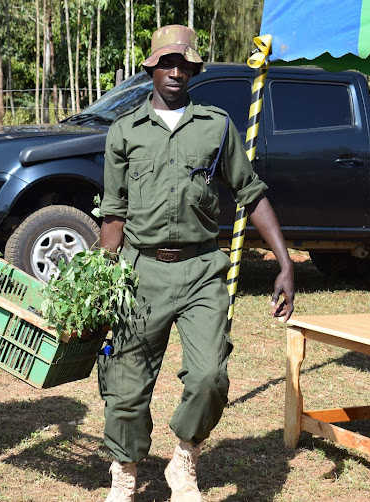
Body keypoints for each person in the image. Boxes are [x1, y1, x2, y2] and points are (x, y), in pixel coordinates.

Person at [97, 25, 294, 502]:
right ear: (150, 69)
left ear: (193, 71)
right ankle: (124, 473)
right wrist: (101, 277)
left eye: (184, 65)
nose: (175, 72)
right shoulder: (124, 131)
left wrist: (285, 264)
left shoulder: (216, 125)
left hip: (203, 269)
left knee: (210, 376)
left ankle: (184, 459)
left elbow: (251, 193)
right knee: (125, 385)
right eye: (166, 63)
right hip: (140, 270)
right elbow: (113, 213)